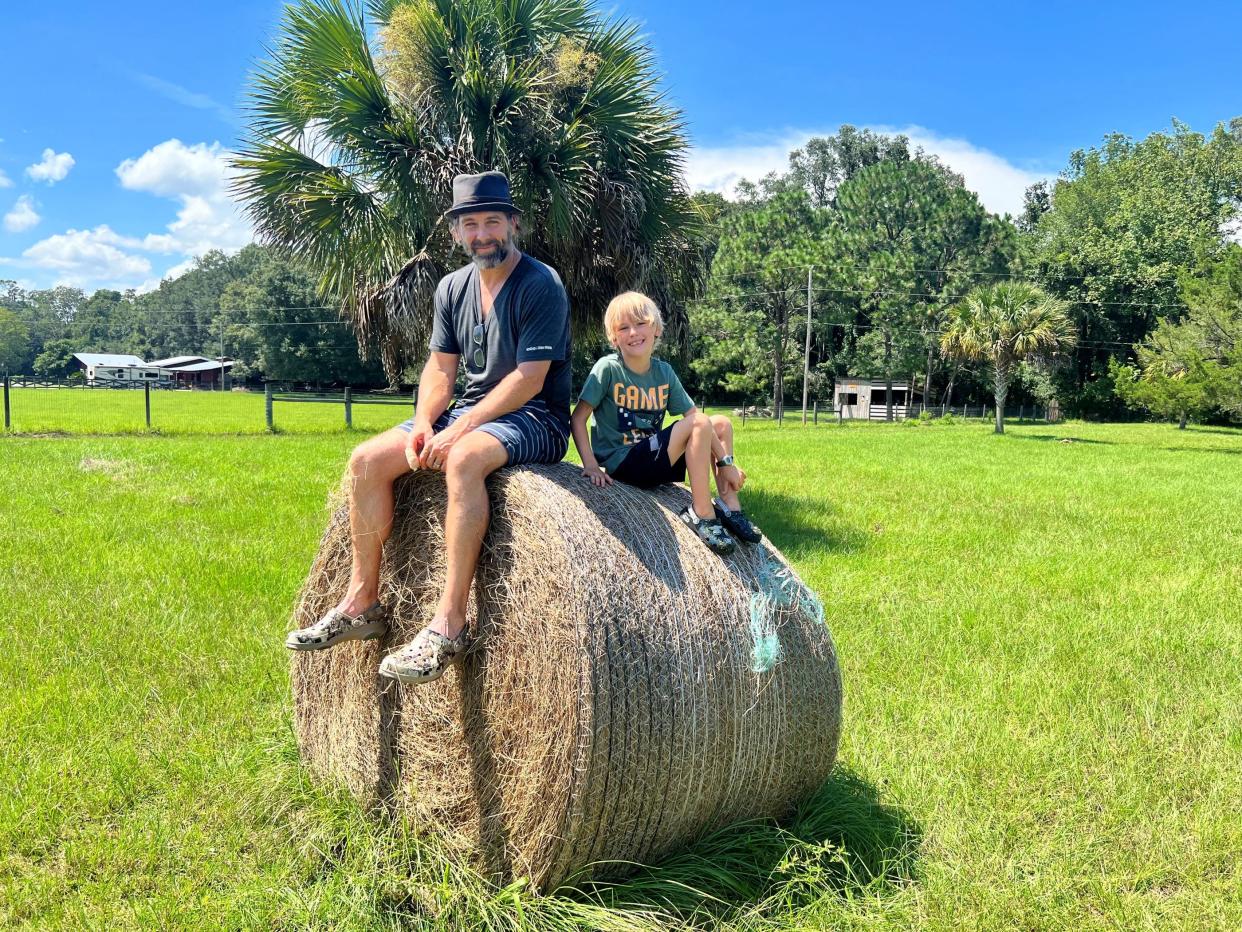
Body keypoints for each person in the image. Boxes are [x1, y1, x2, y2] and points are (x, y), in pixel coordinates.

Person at [285, 171, 572, 685]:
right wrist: (423, 422)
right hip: (467, 410)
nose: (482, 233)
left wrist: (457, 432)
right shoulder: (451, 288)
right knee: (366, 461)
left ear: (513, 224)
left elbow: (530, 380)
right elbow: (440, 369)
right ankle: (363, 601)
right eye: (470, 224)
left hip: (537, 418)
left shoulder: (540, 284)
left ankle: (449, 623)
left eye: (491, 221)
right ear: (457, 233)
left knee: (462, 460)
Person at [570, 291, 761, 554]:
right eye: (623, 328)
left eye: (640, 324)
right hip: (624, 463)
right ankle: (702, 513)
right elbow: (579, 418)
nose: (633, 332)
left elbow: (698, 417)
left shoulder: (663, 372)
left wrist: (724, 461)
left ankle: (729, 505)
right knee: (699, 424)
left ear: (656, 329)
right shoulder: (608, 369)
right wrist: (591, 465)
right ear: (614, 337)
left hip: (653, 458)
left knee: (720, 424)